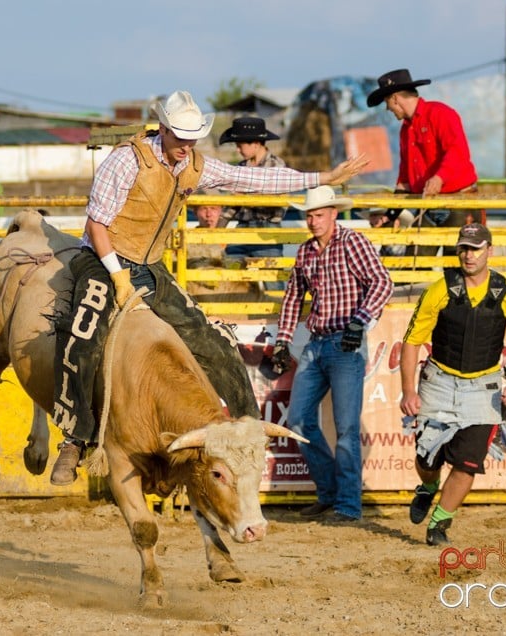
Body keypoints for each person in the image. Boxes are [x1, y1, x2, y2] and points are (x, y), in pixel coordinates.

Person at [49, 91, 369, 485]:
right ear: (163, 129)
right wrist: (116, 275)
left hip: (149, 267)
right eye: (181, 136)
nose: (187, 145)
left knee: (213, 339)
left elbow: (253, 178)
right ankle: (75, 437)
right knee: (84, 338)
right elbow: (97, 225)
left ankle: (249, 426)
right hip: (101, 260)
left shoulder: (194, 164)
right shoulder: (126, 160)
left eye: (192, 137)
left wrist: (320, 179)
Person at [399, 223, 506, 546]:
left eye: (475, 248)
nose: (468, 254)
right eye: (463, 248)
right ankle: (428, 486)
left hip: (484, 389)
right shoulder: (439, 290)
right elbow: (411, 341)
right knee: (427, 458)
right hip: (439, 382)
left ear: (489, 250)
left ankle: (439, 523)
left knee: (468, 462)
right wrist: (408, 390)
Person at [269, 186, 394, 522]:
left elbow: (382, 282)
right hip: (318, 340)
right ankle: (330, 494)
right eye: (310, 215)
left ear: (333, 214)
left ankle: (347, 505)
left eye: (319, 214)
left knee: (346, 426)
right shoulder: (306, 252)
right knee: (298, 420)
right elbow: (294, 297)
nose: (313, 220)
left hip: (344, 342)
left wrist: (359, 322)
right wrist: (282, 341)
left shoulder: (352, 242)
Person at [366, 69, 479, 232]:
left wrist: (439, 178)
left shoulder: (440, 113)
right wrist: (390, 214)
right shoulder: (406, 129)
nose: (387, 108)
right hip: (428, 204)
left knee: (456, 256)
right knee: (417, 254)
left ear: (395, 98)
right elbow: (405, 180)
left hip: (459, 201)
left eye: (387, 102)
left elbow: (457, 151)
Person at [217, 117, 289, 289]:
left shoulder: (277, 165)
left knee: (273, 279)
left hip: (267, 228)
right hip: (243, 227)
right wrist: (218, 230)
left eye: (240, 145)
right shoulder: (241, 167)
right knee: (230, 271)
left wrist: (245, 193)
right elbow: (232, 204)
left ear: (255, 143)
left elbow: (280, 200)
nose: (238, 149)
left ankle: (277, 313)